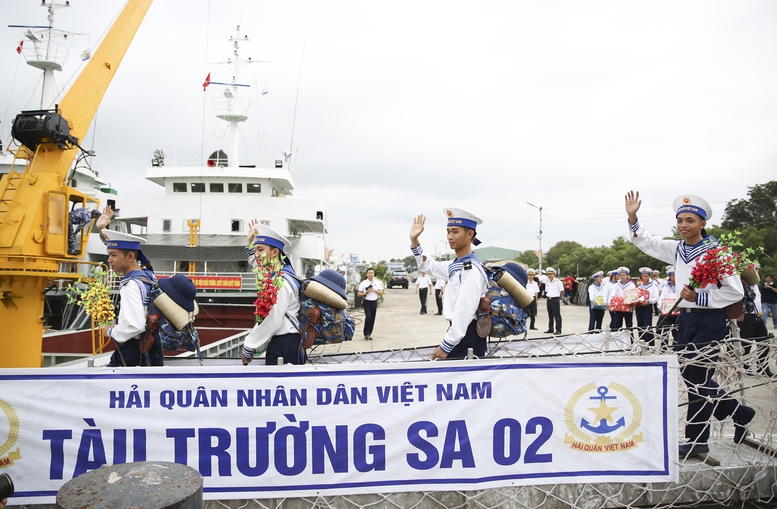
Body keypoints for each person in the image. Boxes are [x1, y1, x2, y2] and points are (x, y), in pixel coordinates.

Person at [625, 190, 755, 458]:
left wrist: (700, 296)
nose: (684, 225)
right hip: (686, 318)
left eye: (690, 221)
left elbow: (734, 292)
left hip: (709, 319)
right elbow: (647, 242)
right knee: (689, 374)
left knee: (699, 377)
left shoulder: (718, 253)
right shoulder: (678, 248)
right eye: (680, 220)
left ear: (703, 224)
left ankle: (698, 441)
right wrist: (633, 216)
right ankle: (738, 412)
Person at [409, 208, 488, 359]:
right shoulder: (457, 265)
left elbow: (464, 311)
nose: (450, 236)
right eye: (448, 231)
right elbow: (427, 266)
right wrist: (414, 240)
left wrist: (446, 346)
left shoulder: (471, 270)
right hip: (459, 334)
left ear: (470, 234)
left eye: (455, 231)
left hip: (467, 335)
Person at [241, 221, 304, 365]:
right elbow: (258, 263)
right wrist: (251, 242)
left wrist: (249, 346)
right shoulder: (279, 273)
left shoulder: (282, 282)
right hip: (284, 342)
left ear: (275, 252)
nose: (257, 254)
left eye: (260, 249)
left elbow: (273, 319)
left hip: (285, 344)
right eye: (255, 250)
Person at [101, 230, 164, 367]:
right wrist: (101, 229)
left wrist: (110, 331)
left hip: (135, 351)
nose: (109, 260)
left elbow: (134, 326)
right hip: (152, 347)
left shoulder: (130, 283)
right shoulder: (148, 276)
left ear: (130, 257)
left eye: (113, 255)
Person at [635, 267, 659, 346]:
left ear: (649, 276)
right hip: (639, 307)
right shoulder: (639, 287)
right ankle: (642, 344)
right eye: (643, 276)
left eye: (646, 276)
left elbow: (656, 297)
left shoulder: (653, 286)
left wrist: (649, 301)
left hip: (647, 307)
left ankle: (650, 344)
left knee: (647, 325)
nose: (644, 277)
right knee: (640, 325)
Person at [357, 268, 384, 340]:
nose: (371, 274)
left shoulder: (377, 283)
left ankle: (369, 333)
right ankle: (366, 333)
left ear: (374, 274)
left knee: (372, 318)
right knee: (368, 317)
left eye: (372, 273)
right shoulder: (363, 283)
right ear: (366, 275)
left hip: (374, 302)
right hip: (367, 302)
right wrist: (365, 293)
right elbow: (359, 294)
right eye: (369, 273)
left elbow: (381, 293)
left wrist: (375, 290)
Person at [657, 266, 680, 343]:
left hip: (677, 313)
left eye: (676, 276)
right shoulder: (666, 287)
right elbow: (661, 298)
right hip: (667, 313)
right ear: (669, 277)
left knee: (676, 331)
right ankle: (663, 348)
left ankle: (676, 348)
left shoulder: (680, 287)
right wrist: (660, 308)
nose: (675, 278)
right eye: (673, 276)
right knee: (665, 331)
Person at [543, 267, 564, 334]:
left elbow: (562, 291)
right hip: (549, 299)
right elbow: (547, 291)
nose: (549, 275)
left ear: (554, 274)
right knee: (550, 315)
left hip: (555, 299)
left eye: (551, 274)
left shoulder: (558, 282)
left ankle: (558, 329)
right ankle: (550, 328)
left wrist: (559, 297)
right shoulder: (547, 282)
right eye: (548, 274)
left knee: (556, 315)